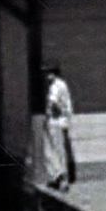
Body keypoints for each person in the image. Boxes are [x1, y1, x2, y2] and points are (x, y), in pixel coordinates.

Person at [41, 63, 75, 191]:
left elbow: (53, 102)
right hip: (63, 121)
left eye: (47, 73)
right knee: (60, 150)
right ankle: (60, 178)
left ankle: (60, 178)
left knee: (53, 150)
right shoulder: (63, 84)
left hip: (56, 122)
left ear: (52, 74)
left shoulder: (55, 86)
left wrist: (49, 114)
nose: (45, 76)